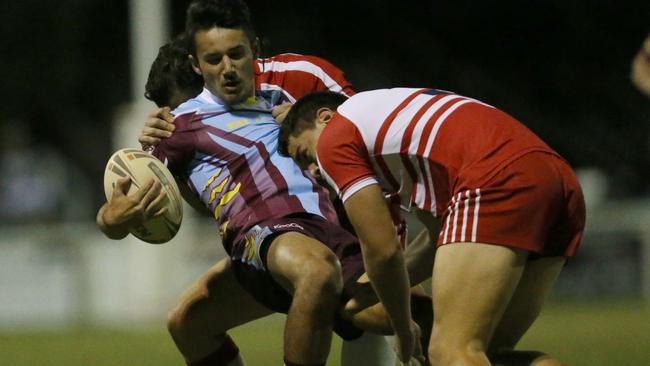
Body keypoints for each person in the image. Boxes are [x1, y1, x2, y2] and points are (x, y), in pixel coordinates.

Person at [98, 1, 430, 365]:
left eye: (235, 55)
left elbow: (363, 141)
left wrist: (311, 123)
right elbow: (138, 195)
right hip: (271, 235)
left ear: (252, 51)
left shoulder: (287, 96)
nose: (226, 69)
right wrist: (111, 219)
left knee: (419, 318)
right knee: (316, 274)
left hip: (343, 229)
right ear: (198, 67)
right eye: (212, 61)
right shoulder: (180, 126)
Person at [278, 88, 586, 366]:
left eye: (305, 155)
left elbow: (383, 251)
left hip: (498, 176)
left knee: (449, 352)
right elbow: (440, 236)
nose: (313, 171)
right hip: (556, 179)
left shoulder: (337, 137)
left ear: (325, 117)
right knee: (491, 354)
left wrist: (402, 325)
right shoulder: (392, 124)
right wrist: (373, 291)